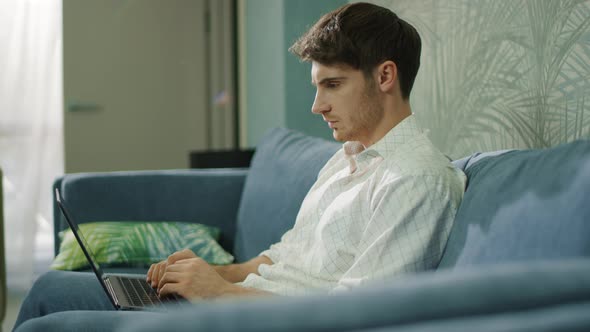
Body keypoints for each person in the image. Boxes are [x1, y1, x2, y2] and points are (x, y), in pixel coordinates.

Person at [14, 2, 466, 330]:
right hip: (233, 301)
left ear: (385, 76)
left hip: (254, 318)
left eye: (332, 85)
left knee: (45, 315)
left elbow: (357, 315)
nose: (316, 106)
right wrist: (208, 274)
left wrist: (218, 292)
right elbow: (283, 258)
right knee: (50, 289)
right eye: (317, 86)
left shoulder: (417, 180)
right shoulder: (347, 157)